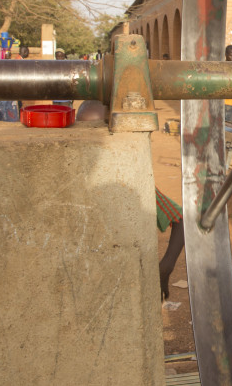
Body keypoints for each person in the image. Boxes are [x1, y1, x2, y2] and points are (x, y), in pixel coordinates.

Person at [76, 101, 186, 300]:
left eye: (99, 134)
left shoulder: (130, 181)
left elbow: (180, 220)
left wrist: (165, 268)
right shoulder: (69, 176)